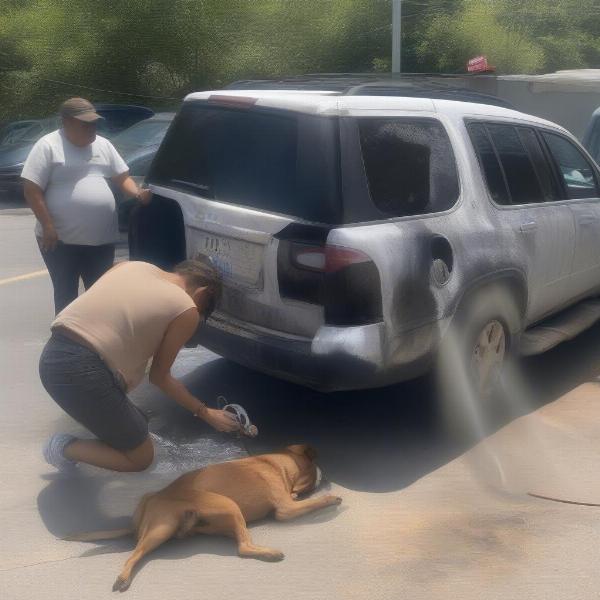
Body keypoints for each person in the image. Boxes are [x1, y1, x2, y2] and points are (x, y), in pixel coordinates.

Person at [39, 258, 240, 473]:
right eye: (202, 311)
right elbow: (160, 377)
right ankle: (63, 448)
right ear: (202, 293)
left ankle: (105, 424)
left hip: (52, 355)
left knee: (138, 422)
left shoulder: (131, 266)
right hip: (80, 374)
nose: (196, 316)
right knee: (141, 458)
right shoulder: (186, 307)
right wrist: (205, 412)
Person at [21, 97, 152, 315]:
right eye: (85, 124)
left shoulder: (103, 145)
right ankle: (65, 341)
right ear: (66, 122)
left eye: (94, 123)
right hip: (61, 241)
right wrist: (48, 226)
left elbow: (122, 178)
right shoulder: (48, 146)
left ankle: (92, 343)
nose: (92, 128)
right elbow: (31, 189)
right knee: (66, 295)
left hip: (101, 240)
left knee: (98, 295)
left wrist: (137, 193)